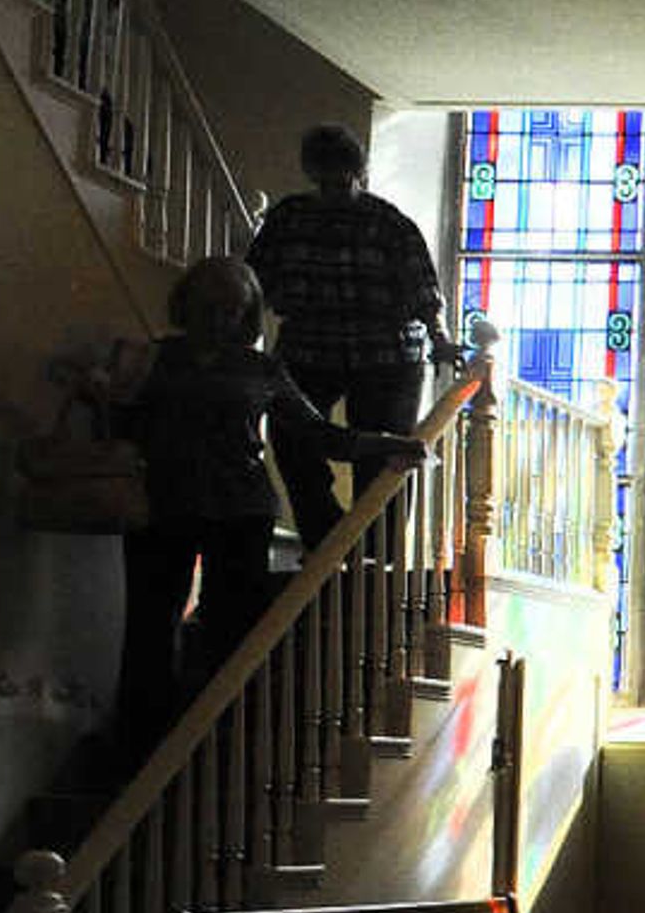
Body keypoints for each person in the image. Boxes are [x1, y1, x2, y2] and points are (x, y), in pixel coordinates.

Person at [100, 256, 421, 760]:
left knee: (232, 632)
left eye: (232, 309)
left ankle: (220, 741)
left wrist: (383, 443)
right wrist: (104, 396)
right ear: (187, 304)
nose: (220, 319)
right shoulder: (155, 360)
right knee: (148, 628)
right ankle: (139, 745)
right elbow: (119, 426)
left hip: (240, 512)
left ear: (247, 313)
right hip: (163, 506)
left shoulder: (261, 369)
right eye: (209, 306)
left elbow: (317, 433)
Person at [247, 122, 456, 544]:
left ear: (359, 174)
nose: (335, 193)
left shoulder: (389, 224)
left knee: (386, 459)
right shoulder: (289, 219)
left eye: (342, 181)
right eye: (326, 182)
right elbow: (254, 283)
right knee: (292, 442)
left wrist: (439, 338)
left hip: (387, 356)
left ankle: (379, 556)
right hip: (310, 350)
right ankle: (327, 538)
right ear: (313, 176)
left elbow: (424, 292)